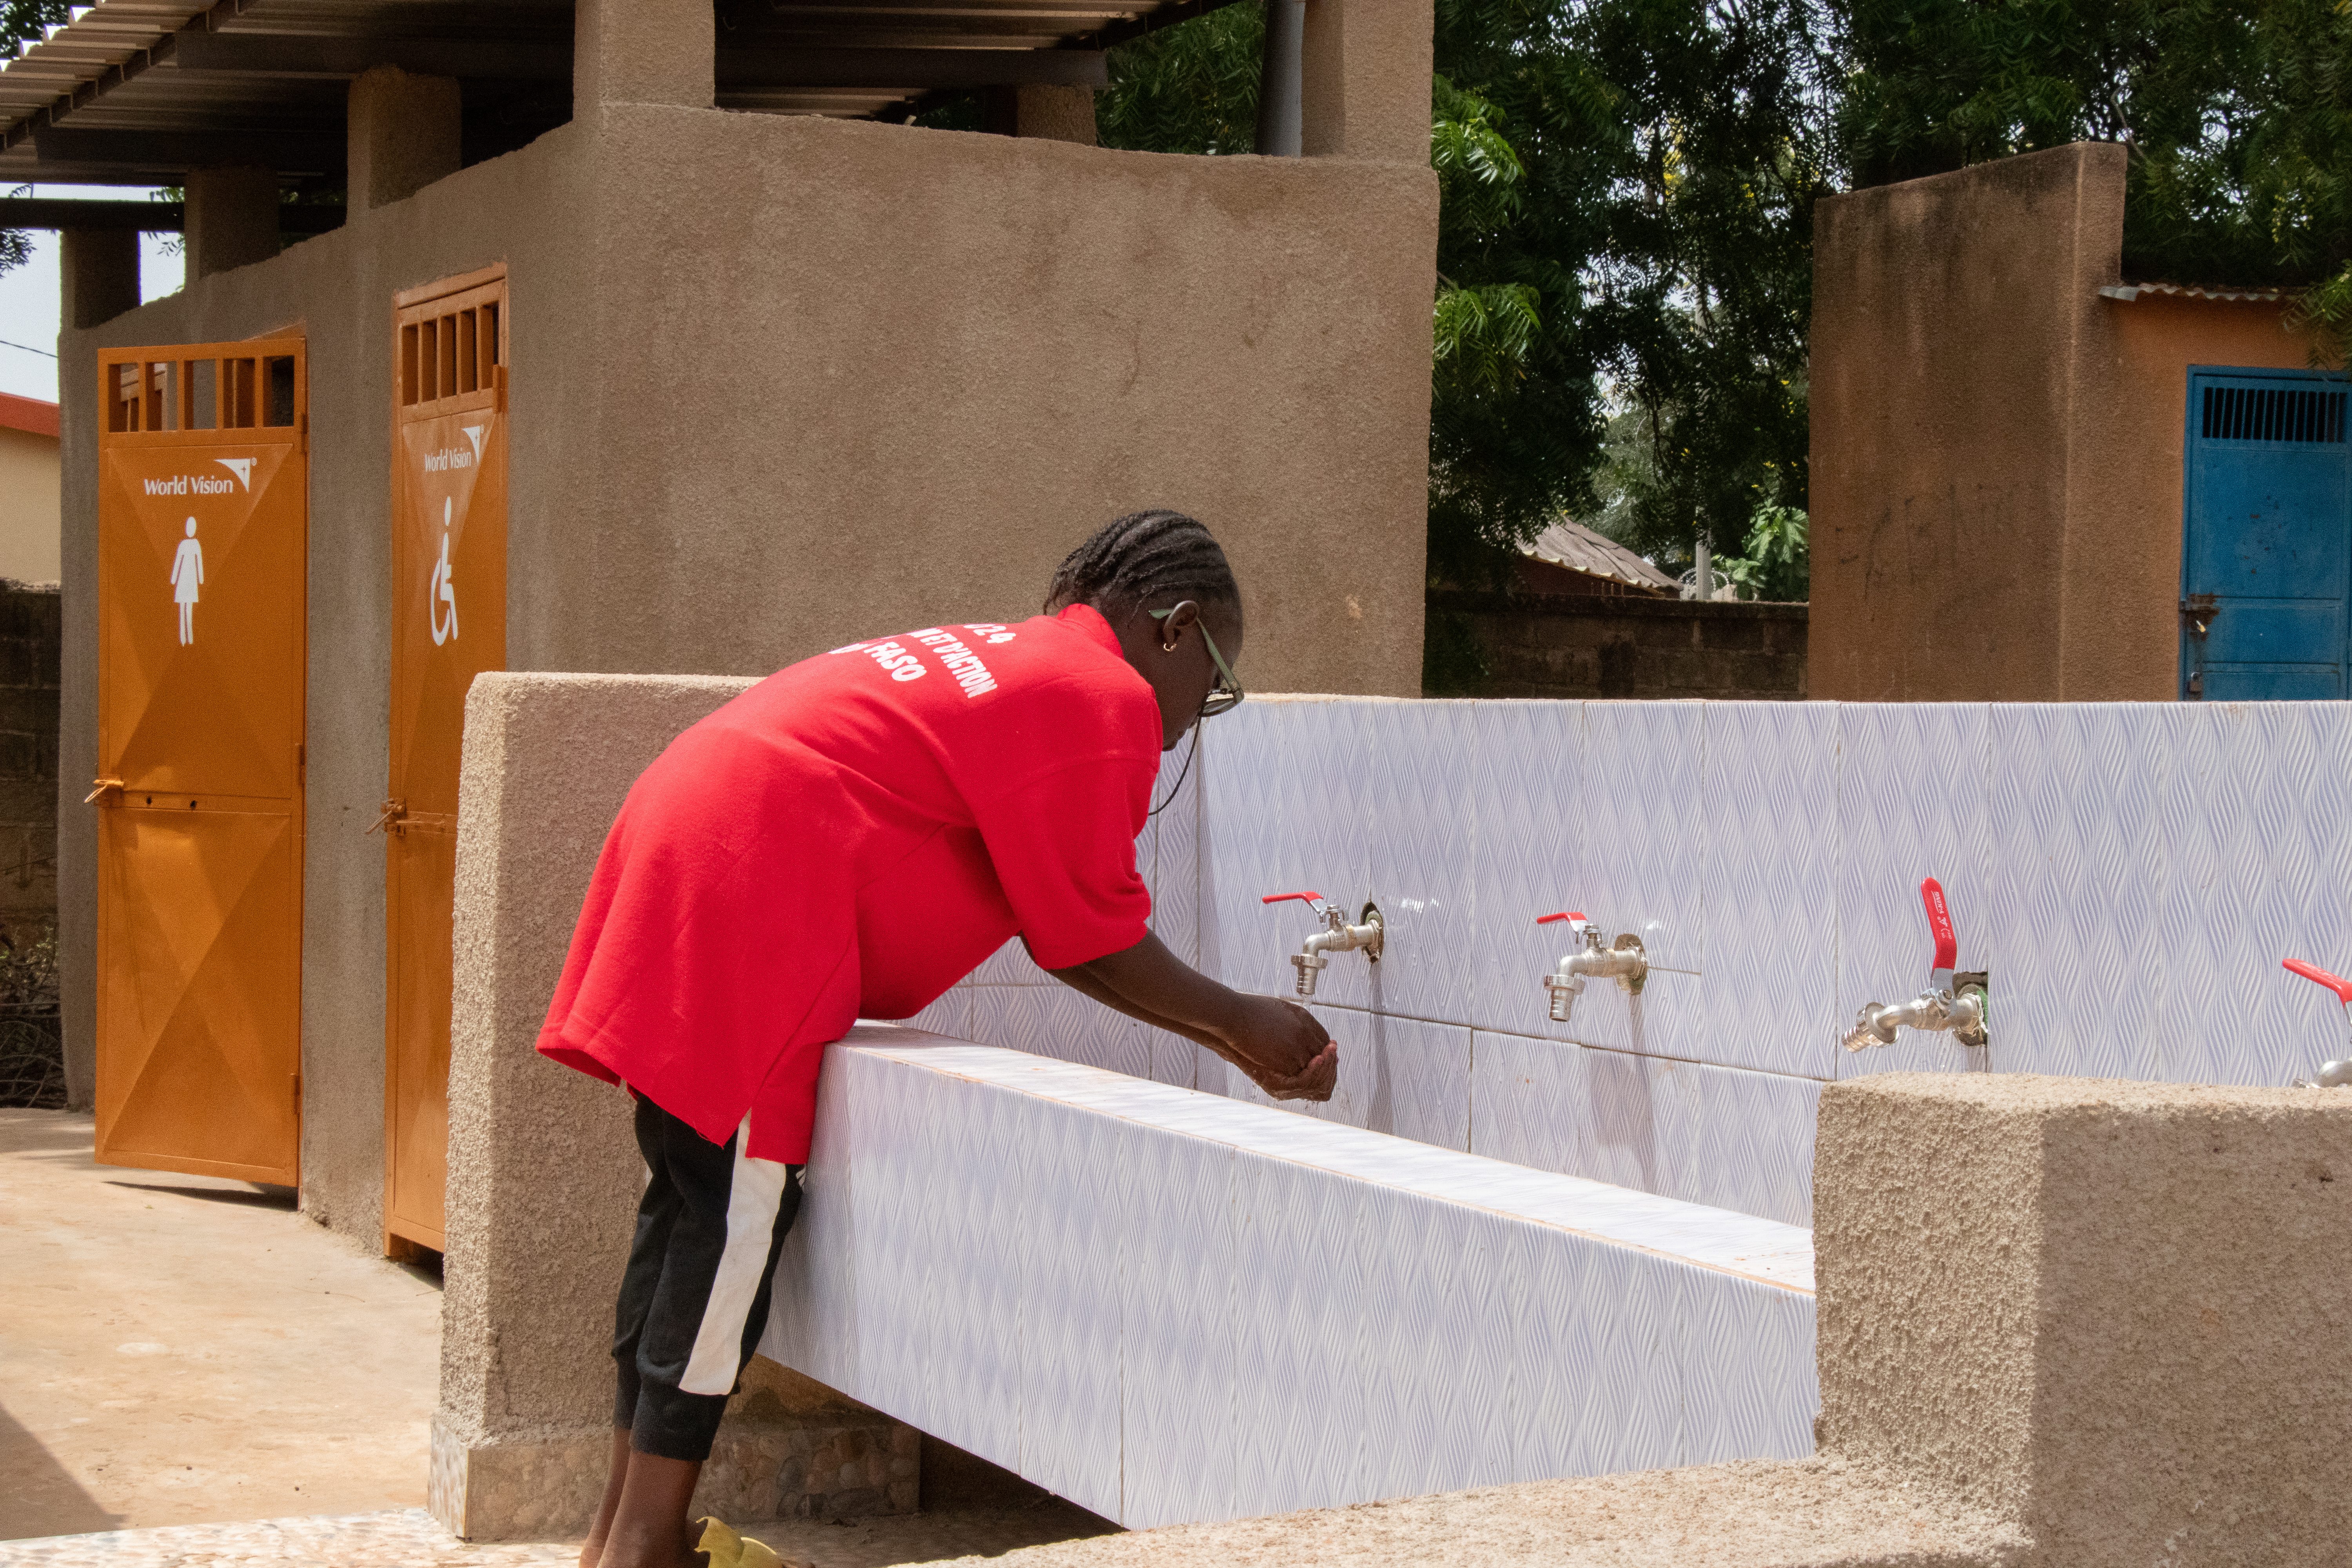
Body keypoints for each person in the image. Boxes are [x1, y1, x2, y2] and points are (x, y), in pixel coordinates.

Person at [536, 510, 1339, 1568]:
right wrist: (1244, 1023)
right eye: (1220, 681)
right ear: (1176, 629)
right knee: (733, 1234)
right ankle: (643, 1548)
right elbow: (1085, 932)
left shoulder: (1020, 660)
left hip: (697, 841)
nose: (1202, 714)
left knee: (689, 1212)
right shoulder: (1103, 697)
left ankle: (615, 1537)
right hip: (758, 899)